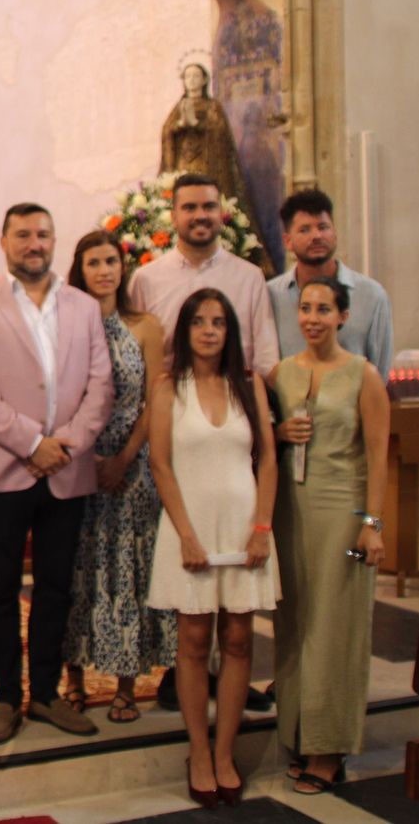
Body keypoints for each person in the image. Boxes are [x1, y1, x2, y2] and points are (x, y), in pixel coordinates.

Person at [0, 203, 114, 745]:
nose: (34, 243)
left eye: (43, 233)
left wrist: (65, 445)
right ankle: (4, 698)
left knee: (56, 587)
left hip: (66, 470)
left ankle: (44, 694)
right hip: (6, 468)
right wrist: (31, 442)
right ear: (3, 241)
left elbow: (100, 385)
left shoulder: (84, 307)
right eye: (23, 234)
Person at [146, 288, 279, 807]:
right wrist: (187, 535)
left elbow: (267, 460)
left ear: (230, 331)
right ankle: (198, 752)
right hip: (192, 530)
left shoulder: (249, 385)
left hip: (244, 526)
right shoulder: (167, 388)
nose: (208, 330)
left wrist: (262, 527)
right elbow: (161, 464)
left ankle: (227, 752)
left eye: (218, 322)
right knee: (196, 644)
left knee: (241, 640)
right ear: (185, 330)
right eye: (199, 321)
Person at [268, 277, 389, 796]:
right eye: (305, 308)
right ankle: (297, 733)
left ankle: (330, 746)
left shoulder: (364, 375)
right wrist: (277, 433)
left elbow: (380, 454)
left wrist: (373, 523)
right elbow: (262, 436)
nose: (313, 317)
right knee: (294, 621)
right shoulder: (280, 374)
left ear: (343, 316)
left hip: (343, 508)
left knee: (334, 623)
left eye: (324, 309)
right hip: (289, 511)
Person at [60, 230, 176, 725]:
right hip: (77, 463)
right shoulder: (65, 325)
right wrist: (84, 457)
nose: (104, 271)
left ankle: (127, 686)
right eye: (94, 263)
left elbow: (157, 399)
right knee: (76, 572)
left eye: (111, 261)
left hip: (132, 466)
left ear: (122, 269)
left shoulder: (145, 326)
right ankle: (74, 679)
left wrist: (127, 456)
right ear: (79, 270)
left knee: (129, 573)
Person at [130, 173, 279, 377]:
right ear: (173, 217)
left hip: (235, 398)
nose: (200, 215)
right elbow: (134, 354)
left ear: (221, 213)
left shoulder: (249, 277)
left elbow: (265, 356)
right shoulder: (145, 279)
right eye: (189, 207)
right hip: (169, 399)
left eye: (209, 207)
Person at [267, 190, 393, 377]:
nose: (316, 236)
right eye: (305, 229)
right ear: (288, 241)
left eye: (323, 227)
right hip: (288, 404)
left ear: (335, 233)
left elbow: (380, 370)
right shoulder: (270, 295)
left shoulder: (371, 295)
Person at [160, 64, 267, 271]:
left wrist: (196, 124)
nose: (191, 80)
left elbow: (219, 132)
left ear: (204, 80)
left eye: (196, 75)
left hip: (206, 166)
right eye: (188, 76)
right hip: (183, 165)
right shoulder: (179, 107)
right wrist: (180, 125)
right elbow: (167, 132)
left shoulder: (212, 107)